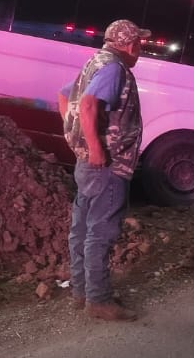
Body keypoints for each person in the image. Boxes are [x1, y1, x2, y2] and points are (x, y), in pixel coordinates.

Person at [58, 19, 148, 322]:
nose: (141, 50)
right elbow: (87, 105)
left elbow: (63, 95)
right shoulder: (113, 69)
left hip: (88, 164)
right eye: (139, 44)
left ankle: (82, 292)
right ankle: (98, 300)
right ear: (131, 45)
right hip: (107, 165)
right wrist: (95, 148)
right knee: (101, 232)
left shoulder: (96, 61)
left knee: (81, 229)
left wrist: (77, 138)